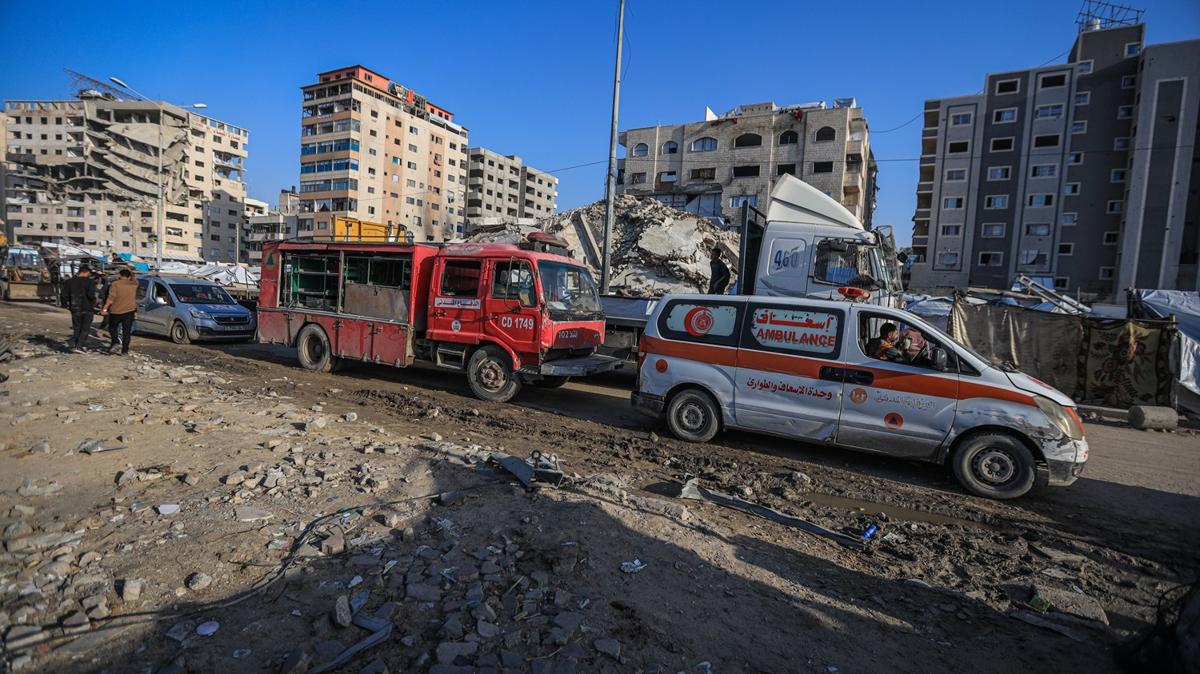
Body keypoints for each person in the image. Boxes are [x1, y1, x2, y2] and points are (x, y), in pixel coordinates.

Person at [100, 268, 138, 355]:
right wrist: (130, 270)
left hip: (116, 311)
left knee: (112, 328)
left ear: (120, 275)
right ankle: (124, 351)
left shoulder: (115, 284)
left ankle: (115, 342)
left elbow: (111, 298)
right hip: (129, 311)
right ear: (129, 277)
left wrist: (105, 309)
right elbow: (134, 277)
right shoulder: (134, 284)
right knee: (126, 332)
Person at [62, 265, 98, 352]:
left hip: (74, 308)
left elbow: (63, 295)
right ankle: (79, 346)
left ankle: (74, 343)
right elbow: (91, 295)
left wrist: (65, 305)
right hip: (87, 308)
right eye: (89, 273)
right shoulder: (90, 282)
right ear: (86, 272)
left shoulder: (69, 282)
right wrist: (95, 301)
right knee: (85, 328)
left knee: (77, 327)